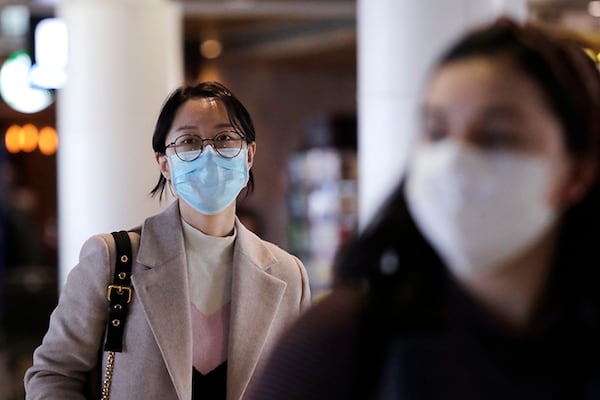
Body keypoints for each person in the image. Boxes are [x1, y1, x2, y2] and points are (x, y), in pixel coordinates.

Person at [244, 17, 600, 400]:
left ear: (577, 169)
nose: (456, 161)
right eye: (437, 132)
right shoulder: (341, 346)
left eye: (497, 136)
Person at [24, 81, 311, 400]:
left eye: (225, 138)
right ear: (164, 163)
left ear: (249, 154)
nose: (209, 154)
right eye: (189, 141)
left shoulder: (288, 275)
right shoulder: (112, 259)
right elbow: (53, 374)